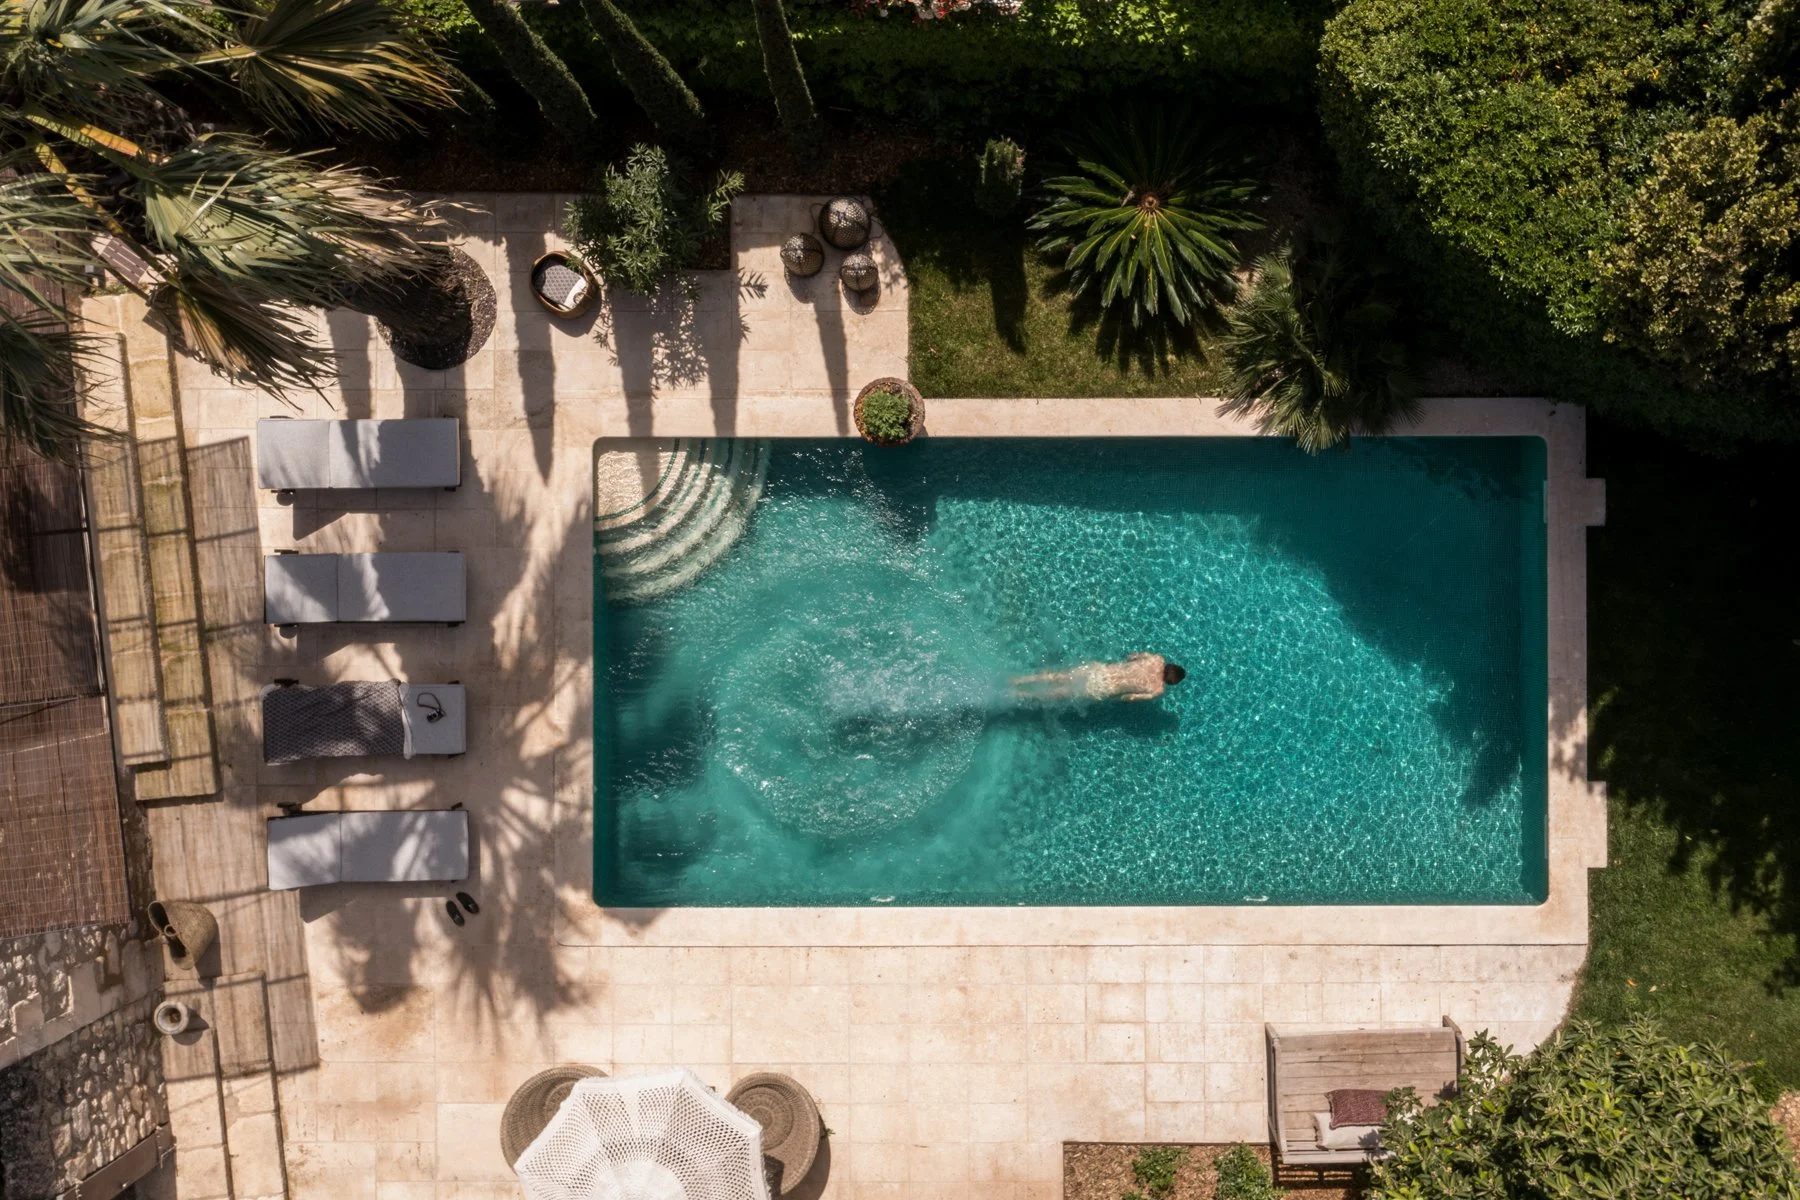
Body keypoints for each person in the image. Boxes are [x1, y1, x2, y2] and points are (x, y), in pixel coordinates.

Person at [1011, 653, 1187, 703]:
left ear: (1171, 666)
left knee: (1060, 676)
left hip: (1099, 671)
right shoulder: (1157, 689)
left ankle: (1018, 681)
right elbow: (1129, 698)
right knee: (1059, 693)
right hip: (1101, 689)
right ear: (1171, 682)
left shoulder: (1157, 659)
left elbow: (1132, 656)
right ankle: (1018, 696)